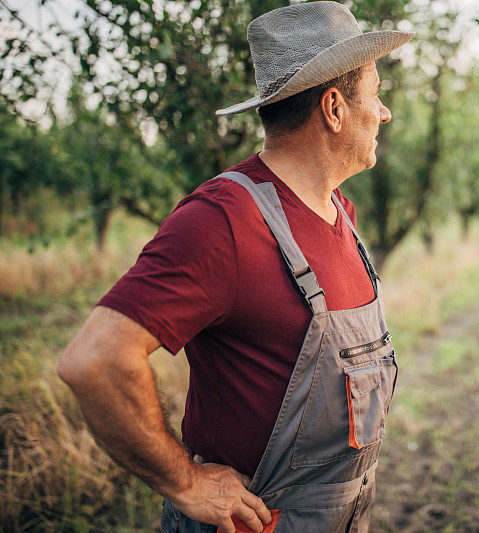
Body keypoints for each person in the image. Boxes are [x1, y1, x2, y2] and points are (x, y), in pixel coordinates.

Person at [57, 3, 413, 532]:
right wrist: (185, 483)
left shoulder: (339, 210)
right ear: (334, 108)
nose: (383, 112)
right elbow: (94, 360)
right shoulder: (222, 222)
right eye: (376, 94)